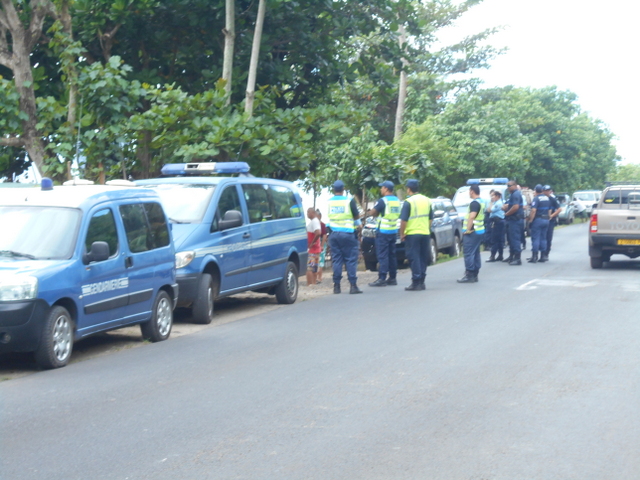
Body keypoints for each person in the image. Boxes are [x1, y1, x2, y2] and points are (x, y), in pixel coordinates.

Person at [327, 180, 363, 294]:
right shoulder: (349, 201)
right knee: (350, 259)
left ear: (333, 189)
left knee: (337, 260)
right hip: (347, 234)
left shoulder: (329, 202)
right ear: (344, 189)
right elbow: (356, 216)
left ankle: (336, 286)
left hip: (333, 234)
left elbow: (328, 218)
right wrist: (359, 226)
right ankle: (353, 286)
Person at [399, 179, 433, 291]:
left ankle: (416, 281)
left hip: (413, 234)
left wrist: (402, 233)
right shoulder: (427, 200)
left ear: (409, 189)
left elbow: (403, 221)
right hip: (425, 233)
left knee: (414, 258)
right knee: (423, 257)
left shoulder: (409, 202)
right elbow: (430, 218)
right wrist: (426, 228)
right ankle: (422, 281)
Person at [366, 180, 400, 287]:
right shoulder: (397, 200)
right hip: (393, 231)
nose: (381, 189)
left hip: (383, 232)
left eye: (382, 187)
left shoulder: (383, 201)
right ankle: (393, 278)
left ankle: (382, 278)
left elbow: (373, 212)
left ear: (386, 189)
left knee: (383, 255)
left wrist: (369, 211)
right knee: (392, 255)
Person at [457, 184, 486, 283]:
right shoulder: (482, 202)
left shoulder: (474, 203)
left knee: (468, 253)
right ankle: (475, 273)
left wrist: (467, 230)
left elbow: (472, 217)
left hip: (472, 232)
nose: (469, 193)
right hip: (479, 231)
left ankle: (469, 274)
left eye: (469, 191)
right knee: (476, 252)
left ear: (472, 191)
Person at [526, 184, 551, 263]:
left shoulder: (536, 199)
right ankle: (543, 256)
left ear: (536, 191)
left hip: (538, 220)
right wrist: (548, 217)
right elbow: (549, 210)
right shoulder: (547, 198)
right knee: (543, 238)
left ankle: (534, 256)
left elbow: (533, 210)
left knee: (536, 238)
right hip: (546, 219)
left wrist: (530, 220)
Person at [502, 180, 524, 265]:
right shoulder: (512, 194)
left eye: (509, 186)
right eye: (507, 186)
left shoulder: (516, 194)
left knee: (515, 239)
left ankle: (517, 258)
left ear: (515, 185)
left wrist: (506, 213)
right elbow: (511, 205)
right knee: (510, 239)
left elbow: (515, 207)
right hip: (511, 220)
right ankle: (512, 256)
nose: (508, 188)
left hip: (515, 220)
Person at [542, 185, 560, 262]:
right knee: (541, 237)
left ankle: (546, 253)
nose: (547, 192)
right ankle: (541, 254)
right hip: (542, 219)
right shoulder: (541, 199)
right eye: (546, 190)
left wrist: (552, 216)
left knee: (548, 238)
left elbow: (559, 209)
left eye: (548, 190)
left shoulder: (552, 199)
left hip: (550, 221)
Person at [485, 190, 505, 262]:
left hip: (498, 222)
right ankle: (500, 255)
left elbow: (490, 210)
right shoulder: (496, 203)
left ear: (498, 196)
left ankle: (493, 256)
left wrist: (490, 203)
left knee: (495, 239)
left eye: (494, 196)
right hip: (497, 222)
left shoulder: (498, 203)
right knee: (499, 239)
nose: (492, 197)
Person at [306, 208, 322, 286]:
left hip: (313, 249)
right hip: (315, 248)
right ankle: (313, 283)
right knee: (314, 267)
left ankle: (310, 283)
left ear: (312, 213)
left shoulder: (314, 221)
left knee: (310, 267)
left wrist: (312, 243)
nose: (307, 214)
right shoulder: (314, 221)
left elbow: (318, 233)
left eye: (308, 212)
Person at [315, 210, 327, 283]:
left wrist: (322, 245)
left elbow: (324, 236)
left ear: (319, 216)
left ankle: (319, 277)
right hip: (314, 245)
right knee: (314, 260)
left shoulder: (322, 225)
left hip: (321, 244)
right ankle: (315, 277)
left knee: (321, 261)